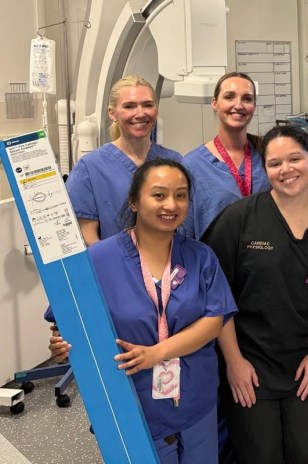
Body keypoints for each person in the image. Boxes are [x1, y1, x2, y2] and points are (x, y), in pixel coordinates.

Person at [202, 124, 308, 463]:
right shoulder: (239, 219)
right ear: (265, 170)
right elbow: (216, 295)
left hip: (307, 364)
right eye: (275, 163)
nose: (286, 170)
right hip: (249, 364)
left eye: (295, 159)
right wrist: (234, 362)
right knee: (260, 455)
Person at [50, 158, 237, 463]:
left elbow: (214, 320)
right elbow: (69, 322)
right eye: (159, 195)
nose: (171, 205)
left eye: (180, 195)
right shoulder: (98, 260)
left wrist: (157, 353)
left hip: (195, 398)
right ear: (134, 201)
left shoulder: (201, 256)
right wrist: (63, 344)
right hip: (129, 401)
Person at [65, 75, 184, 245]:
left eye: (147, 105)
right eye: (129, 106)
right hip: (112, 260)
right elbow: (88, 237)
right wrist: (118, 260)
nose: (140, 113)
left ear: (156, 110)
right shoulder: (91, 168)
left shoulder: (174, 162)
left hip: (169, 259)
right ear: (112, 113)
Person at [183, 72, 270, 239]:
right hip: (214, 255)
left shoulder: (267, 157)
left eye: (247, 99)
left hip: (265, 252)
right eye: (229, 97)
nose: (238, 105)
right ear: (214, 103)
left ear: (254, 106)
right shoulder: (192, 165)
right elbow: (185, 233)